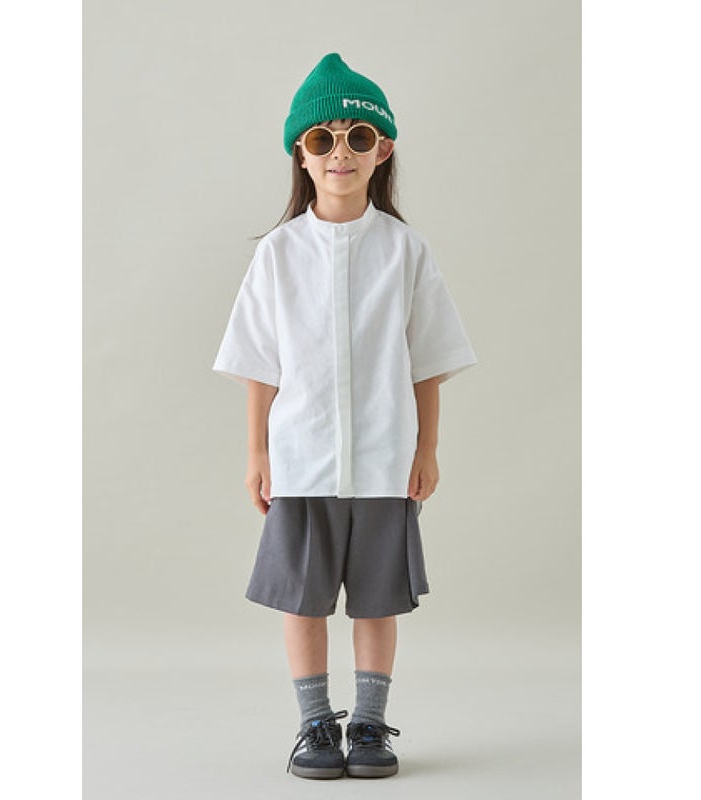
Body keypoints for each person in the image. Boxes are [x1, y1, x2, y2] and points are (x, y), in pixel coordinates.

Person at [212, 52, 478, 780]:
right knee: (303, 600)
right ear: (300, 155)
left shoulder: (405, 251)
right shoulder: (277, 254)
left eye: (358, 137)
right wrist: (257, 453)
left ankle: (367, 723)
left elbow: (427, 360)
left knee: (375, 598)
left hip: (385, 456)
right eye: (321, 139)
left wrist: (427, 448)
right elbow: (259, 363)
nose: (340, 152)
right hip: (301, 457)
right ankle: (314, 724)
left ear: (381, 150)